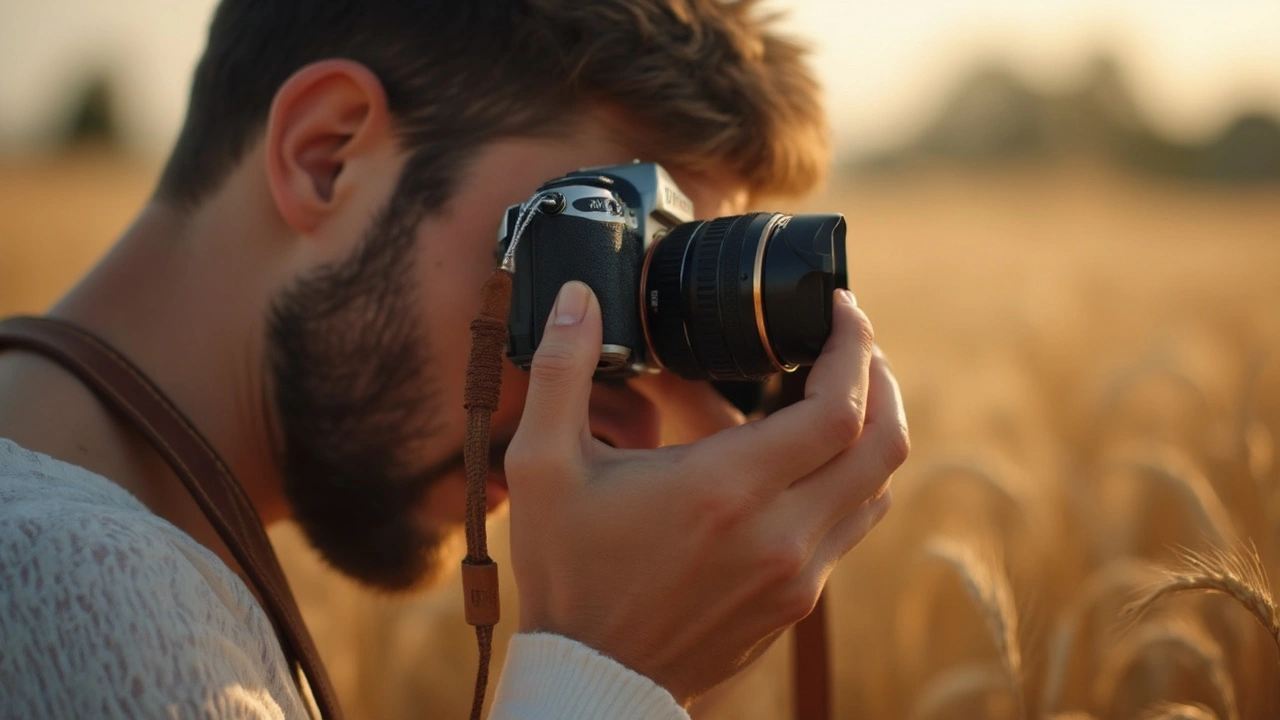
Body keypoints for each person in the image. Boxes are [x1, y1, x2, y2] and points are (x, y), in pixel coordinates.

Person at [0, 1, 909, 718]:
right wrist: (606, 676)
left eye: (653, 323)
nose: (633, 423)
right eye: (590, 276)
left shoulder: (133, 556)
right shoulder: (76, 593)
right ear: (327, 155)